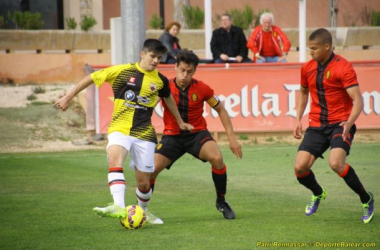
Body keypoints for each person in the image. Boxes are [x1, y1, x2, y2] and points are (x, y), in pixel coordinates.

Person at [54, 39, 193, 223]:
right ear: (142, 54)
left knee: (144, 183)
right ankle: (118, 205)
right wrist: (68, 96)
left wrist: (180, 122)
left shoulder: (160, 81)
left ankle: (143, 212)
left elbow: (168, 99)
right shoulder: (122, 71)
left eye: (159, 58)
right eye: (152, 56)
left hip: (144, 134)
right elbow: (91, 77)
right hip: (119, 128)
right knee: (114, 158)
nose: (155, 61)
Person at [150, 50, 243, 223]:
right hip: (172, 136)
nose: (185, 75)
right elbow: (150, 106)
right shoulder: (164, 87)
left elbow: (221, 109)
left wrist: (232, 138)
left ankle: (221, 202)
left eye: (189, 71)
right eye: (182, 70)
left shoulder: (202, 88)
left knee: (217, 158)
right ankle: (142, 210)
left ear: (195, 71)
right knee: (151, 170)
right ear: (175, 67)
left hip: (197, 134)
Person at [293, 28, 374, 223]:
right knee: (300, 168)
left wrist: (349, 123)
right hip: (317, 125)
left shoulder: (343, 67)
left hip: (340, 124)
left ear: (327, 46)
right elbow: (303, 92)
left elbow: (358, 101)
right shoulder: (307, 68)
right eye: (309, 49)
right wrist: (297, 118)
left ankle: (366, 198)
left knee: (336, 163)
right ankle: (318, 193)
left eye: (314, 48)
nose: (310, 52)